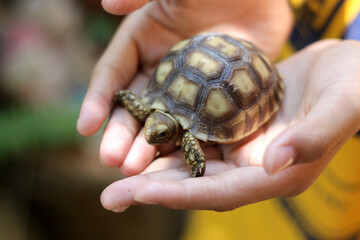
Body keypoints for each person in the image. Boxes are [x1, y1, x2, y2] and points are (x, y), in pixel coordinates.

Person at [77, 0, 360, 238]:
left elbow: (185, 135)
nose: (151, 136)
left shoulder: (187, 135)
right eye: (156, 132)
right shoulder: (156, 111)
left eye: (160, 135)